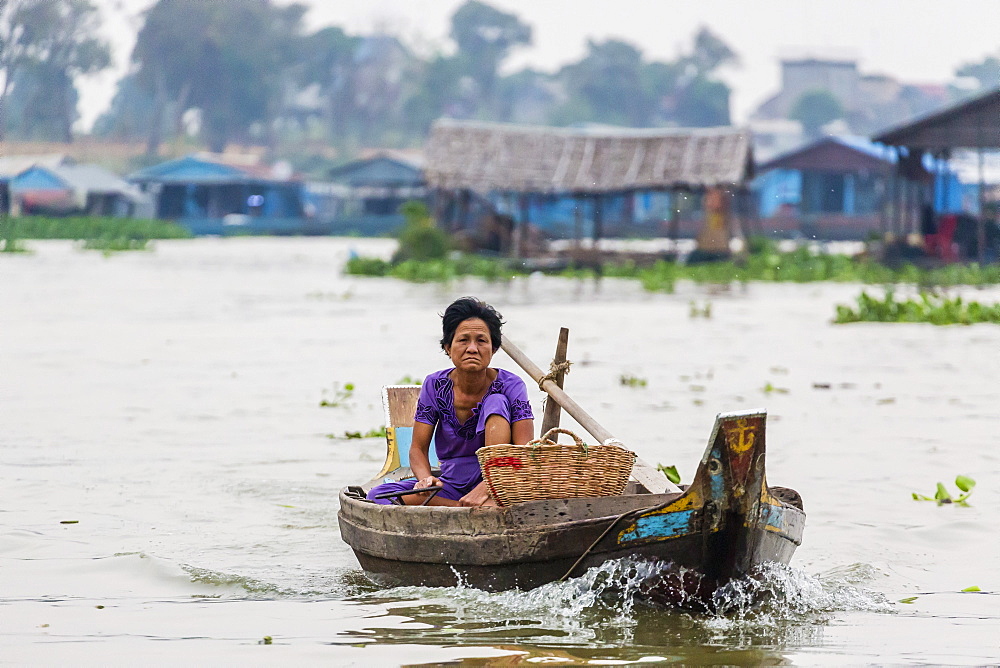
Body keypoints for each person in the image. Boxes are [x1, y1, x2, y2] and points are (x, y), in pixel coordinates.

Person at [367, 297, 534, 507]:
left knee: (496, 401)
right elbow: (417, 449)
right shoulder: (435, 385)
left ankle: (478, 503)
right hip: (452, 484)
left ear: (493, 349)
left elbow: (524, 450)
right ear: (448, 347)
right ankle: (462, 508)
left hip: (498, 482)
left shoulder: (511, 385)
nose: (472, 348)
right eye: (463, 340)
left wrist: (486, 487)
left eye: (481, 341)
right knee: (378, 495)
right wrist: (425, 480)